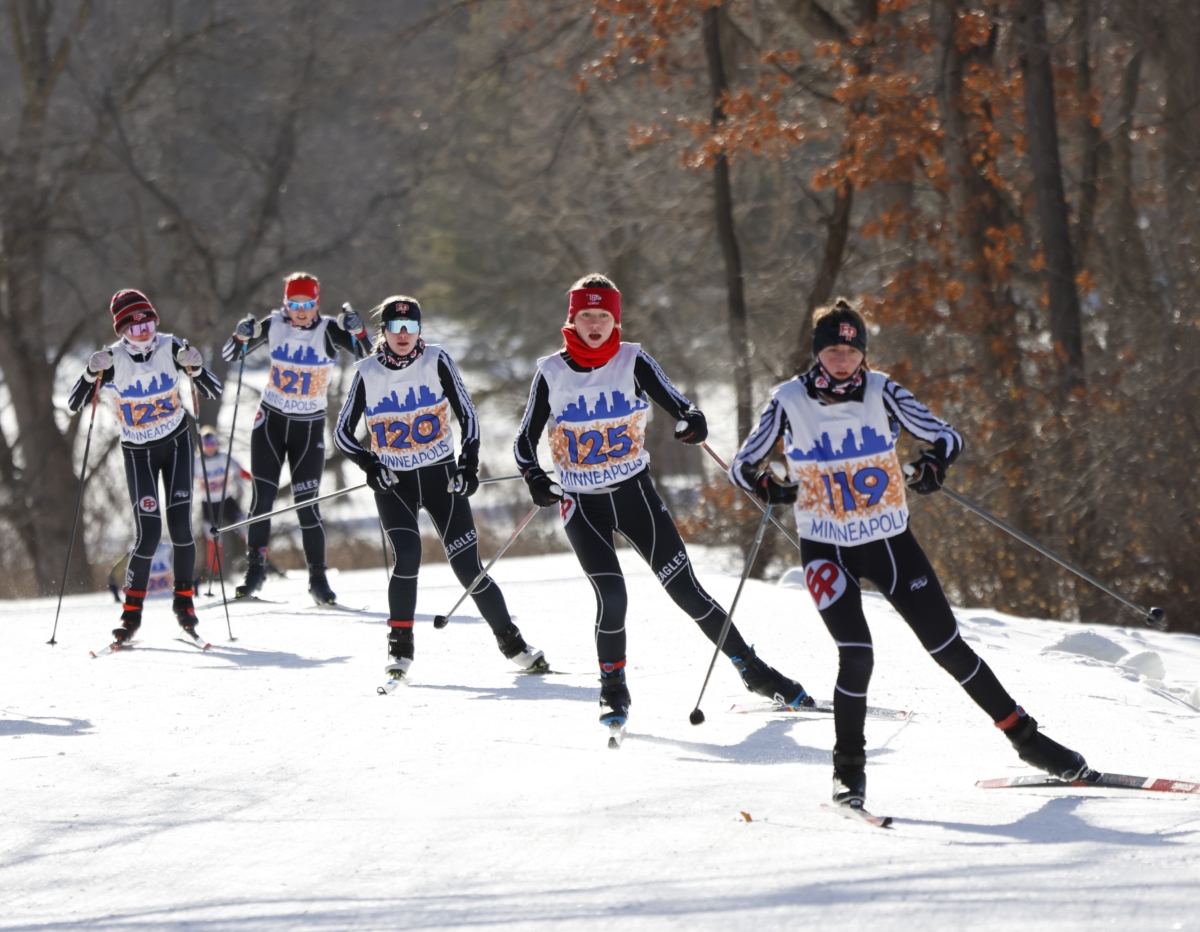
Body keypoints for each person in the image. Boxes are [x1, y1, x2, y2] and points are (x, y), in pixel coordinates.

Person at [729, 297, 1089, 811]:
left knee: (949, 647)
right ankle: (848, 773)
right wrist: (769, 484)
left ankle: (1029, 742)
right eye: (832, 350)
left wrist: (934, 465)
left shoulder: (882, 390)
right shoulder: (788, 399)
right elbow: (742, 465)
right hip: (825, 547)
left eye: (852, 351)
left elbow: (946, 434)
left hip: (888, 542)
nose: (843, 360)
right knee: (856, 655)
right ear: (818, 352)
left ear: (863, 354)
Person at [514, 273, 811, 733]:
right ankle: (613, 688)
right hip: (582, 504)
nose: (596, 324)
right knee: (612, 595)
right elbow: (523, 442)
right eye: (587, 315)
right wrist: (534, 476)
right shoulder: (550, 372)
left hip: (635, 495)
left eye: (604, 316)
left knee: (687, 591)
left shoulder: (633, 360)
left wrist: (693, 422)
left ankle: (754, 672)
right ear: (572, 318)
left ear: (616, 320)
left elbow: (682, 406)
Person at [334, 295, 548, 682]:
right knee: (408, 556)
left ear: (420, 330)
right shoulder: (367, 371)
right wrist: (370, 464)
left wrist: (468, 463)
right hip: (394, 483)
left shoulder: (437, 359)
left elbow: (467, 414)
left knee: (468, 565)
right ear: (383, 331)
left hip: (441, 478)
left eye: (411, 327)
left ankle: (515, 646)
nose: (403, 335)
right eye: (395, 328)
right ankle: (399, 651)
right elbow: (342, 434)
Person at [69, 289, 222, 644]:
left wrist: (195, 365)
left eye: (148, 324)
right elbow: (75, 402)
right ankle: (131, 615)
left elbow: (209, 388)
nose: (143, 334)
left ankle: (184, 604)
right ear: (121, 330)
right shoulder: (111, 359)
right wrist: (92, 374)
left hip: (177, 444)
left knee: (182, 528)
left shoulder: (170, 346)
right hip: (138, 453)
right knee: (149, 534)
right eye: (134, 329)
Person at [222, 272, 369, 605]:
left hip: (308, 427)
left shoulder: (330, 329)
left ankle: (318, 579)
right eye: (293, 303)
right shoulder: (274, 324)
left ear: (317, 302)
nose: (300, 310)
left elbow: (371, 358)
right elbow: (232, 355)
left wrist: (358, 330)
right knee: (262, 501)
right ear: (284, 303)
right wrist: (241, 334)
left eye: (307, 303)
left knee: (307, 505)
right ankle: (255, 571)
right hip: (270, 423)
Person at [195, 426, 253, 575]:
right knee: (214, 540)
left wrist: (256, 481)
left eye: (212, 444)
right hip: (208, 505)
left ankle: (261, 560)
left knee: (246, 529)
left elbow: (241, 472)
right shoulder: (196, 462)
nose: (210, 448)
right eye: (206, 445)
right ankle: (215, 572)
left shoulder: (224, 458)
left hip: (227, 500)